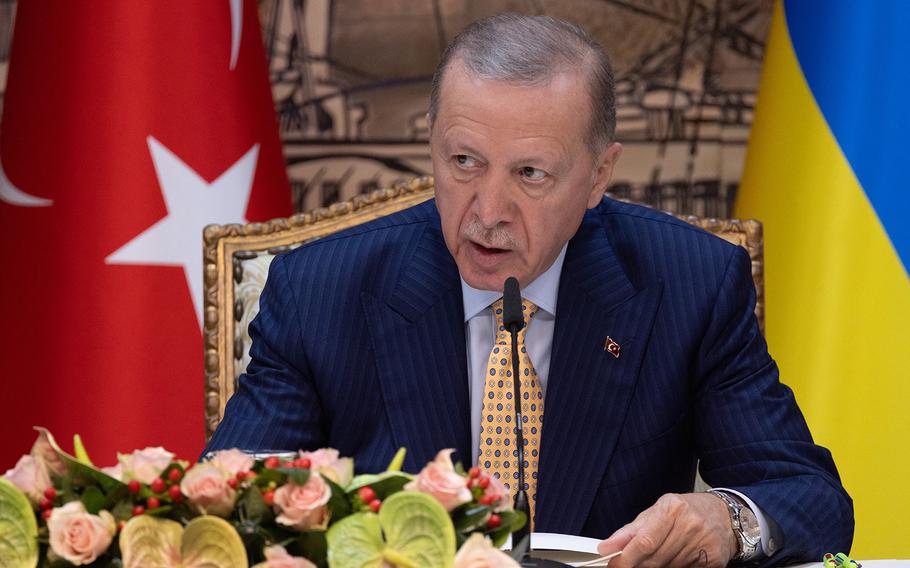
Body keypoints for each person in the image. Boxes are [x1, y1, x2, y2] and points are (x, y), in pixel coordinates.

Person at [206, 13, 853, 566]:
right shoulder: (320, 291)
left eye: (531, 173)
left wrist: (725, 520)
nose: (487, 210)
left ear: (599, 175)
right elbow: (232, 506)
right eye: (464, 162)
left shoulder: (689, 283)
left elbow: (808, 496)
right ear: (431, 143)